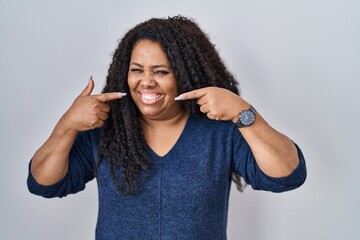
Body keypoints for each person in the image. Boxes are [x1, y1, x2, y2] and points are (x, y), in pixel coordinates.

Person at [27, 16, 307, 239]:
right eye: (137, 70)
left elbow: (287, 176)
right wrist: (66, 126)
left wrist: (244, 113)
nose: (146, 82)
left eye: (161, 72)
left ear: (185, 76)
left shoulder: (220, 129)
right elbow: (44, 183)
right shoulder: (106, 128)